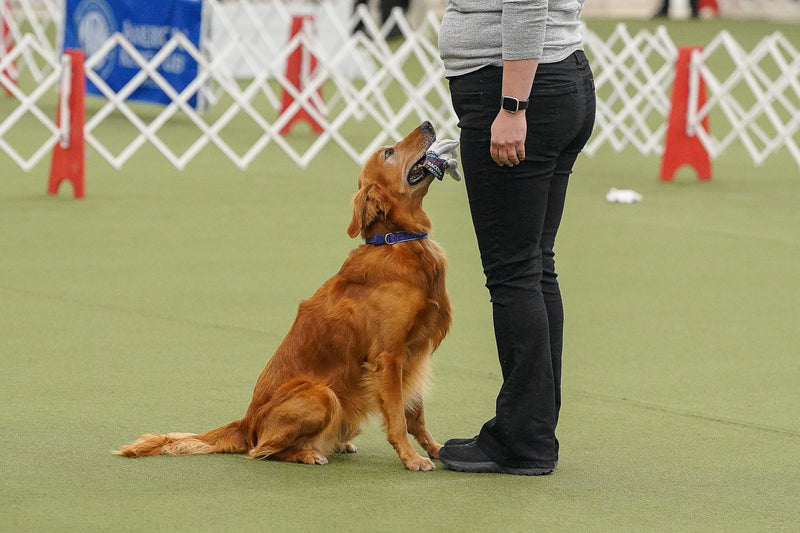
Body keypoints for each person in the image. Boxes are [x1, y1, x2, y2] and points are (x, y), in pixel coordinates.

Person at [436, 0, 596, 475]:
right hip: (561, 78)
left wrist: (512, 107)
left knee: (514, 273)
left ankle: (523, 439)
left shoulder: (514, 97)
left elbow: (527, 4)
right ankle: (531, 428)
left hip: (517, 89)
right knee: (533, 266)